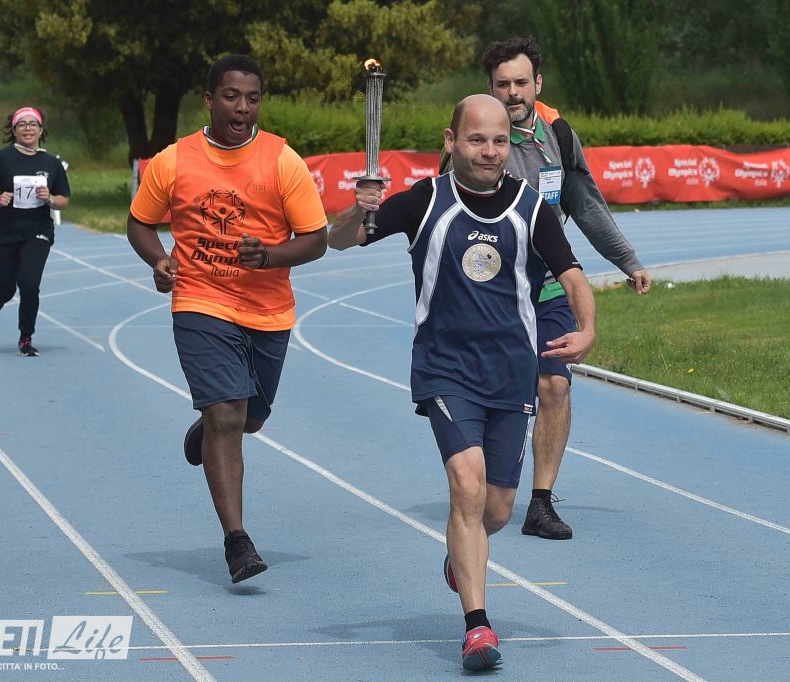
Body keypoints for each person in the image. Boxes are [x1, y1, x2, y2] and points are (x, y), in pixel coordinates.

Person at [329, 94, 596, 671]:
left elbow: (572, 274)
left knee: (496, 510)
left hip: (511, 373)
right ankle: (477, 626)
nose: (489, 151)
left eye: (499, 141)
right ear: (452, 142)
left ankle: (461, 554)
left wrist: (587, 328)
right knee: (467, 486)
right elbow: (338, 238)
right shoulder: (425, 201)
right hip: (446, 370)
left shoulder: (530, 207)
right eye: (476, 140)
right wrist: (358, 210)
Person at [127, 54, 328, 584]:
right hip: (201, 301)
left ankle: (208, 430)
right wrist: (159, 261)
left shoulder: (282, 160)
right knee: (227, 414)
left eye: (252, 98)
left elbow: (316, 239)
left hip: (268, 310)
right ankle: (237, 540)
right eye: (232, 97)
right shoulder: (174, 160)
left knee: (249, 418)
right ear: (210, 100)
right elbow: (139, 223)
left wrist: (271, 256)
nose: (242, 108)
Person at [483, 36, 652, 540]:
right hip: (493, 289)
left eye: (521, 82)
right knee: (496, 392)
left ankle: (540, 503)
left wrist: (627, 261)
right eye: (502, 84)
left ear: (538, 83)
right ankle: (484, 484)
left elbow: (585, 203)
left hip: (549, 285)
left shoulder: (557, 134)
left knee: (554, 384)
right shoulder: (479, 137)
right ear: (490, 89)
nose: (513, 93)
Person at [0, 106, 71, 356]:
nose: (28, 128)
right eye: (22, 124)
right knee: (5, 288)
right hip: (5, 231)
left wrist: (49, 198)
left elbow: (63, 200)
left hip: (38, 230)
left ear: (41, 130)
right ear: (14, 130)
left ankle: (26, 338)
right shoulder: (2, 158)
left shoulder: (51, 163)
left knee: (29, 284)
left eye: (33, 124)